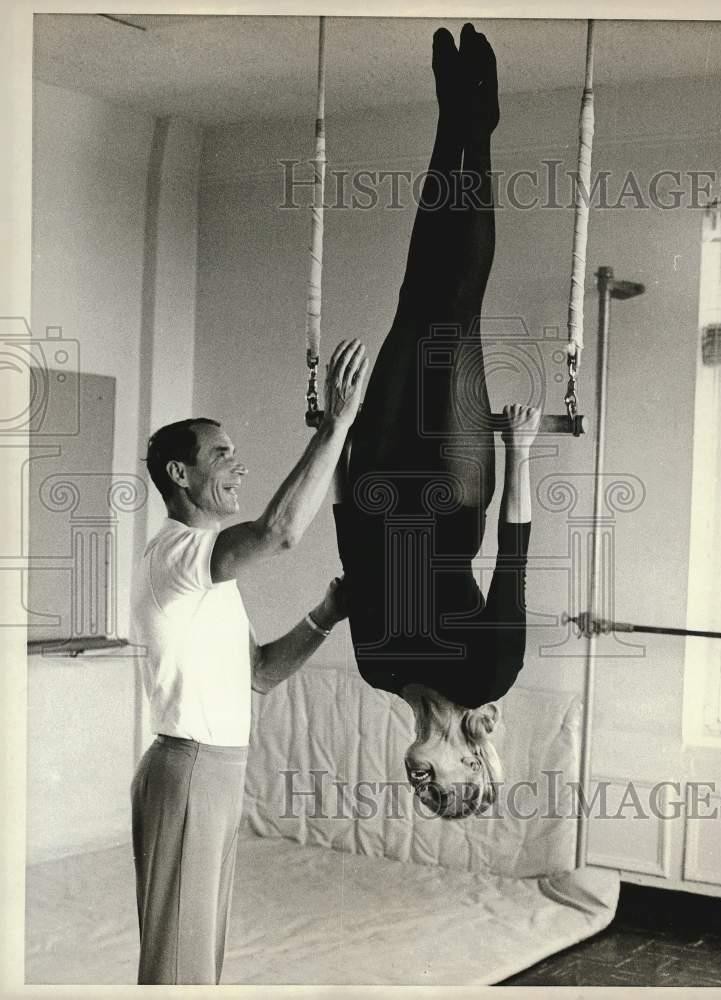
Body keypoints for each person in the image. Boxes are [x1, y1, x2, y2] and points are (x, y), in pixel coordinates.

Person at [334, 24, 540, 820]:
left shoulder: (377, 672)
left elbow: (355, 553)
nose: (419, 781)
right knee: (452, 310)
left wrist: (340, 447)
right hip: (454, 489)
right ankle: (474, 130)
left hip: (377, 477)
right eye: (440, 785)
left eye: (417, 791)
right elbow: (513, 558)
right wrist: (520, 452)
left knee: (412, 297)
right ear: (471, 760)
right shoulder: (489, 677)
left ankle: (454, 114)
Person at [129, 338, 368, 985]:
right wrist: (335, 424)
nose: (239, 465)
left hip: (213, 772)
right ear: (180, 475)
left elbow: (259, 672)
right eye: (221, 454)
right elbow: (278, 533)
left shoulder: (208, 573)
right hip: (189, 769)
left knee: (195, 963)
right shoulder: (178, 554)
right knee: (178, 970)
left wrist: (325, 614)